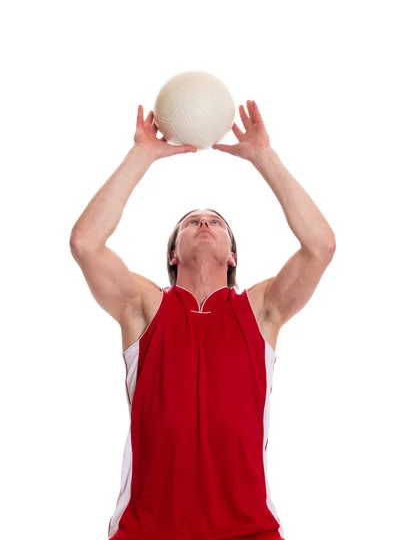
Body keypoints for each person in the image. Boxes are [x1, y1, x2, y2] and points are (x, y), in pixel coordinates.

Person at [70, 101, 336, 539]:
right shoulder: (144, 307)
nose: (204, 223)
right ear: (173, 254)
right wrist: (142, 154)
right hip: (146, 530)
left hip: (249, 530)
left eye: (215, 221)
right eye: (192, 222)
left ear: (232, 254)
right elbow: (85, 243)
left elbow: (320, 246)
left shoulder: (260, 310)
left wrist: (263, 156)